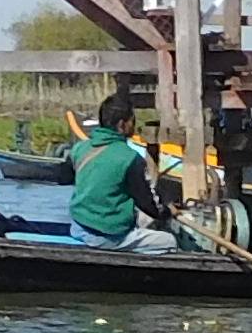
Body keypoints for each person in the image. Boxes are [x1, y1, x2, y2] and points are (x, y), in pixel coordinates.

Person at [67, 90, 183, 252]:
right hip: (109, 237)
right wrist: (167, 212)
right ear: (122, 125)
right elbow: (148, 205)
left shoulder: (80, 149)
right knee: (170, 241)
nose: (134, 126)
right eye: (132, 121)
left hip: (78, 228)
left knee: (143, 220)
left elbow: (67, 177)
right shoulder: (130, 158)